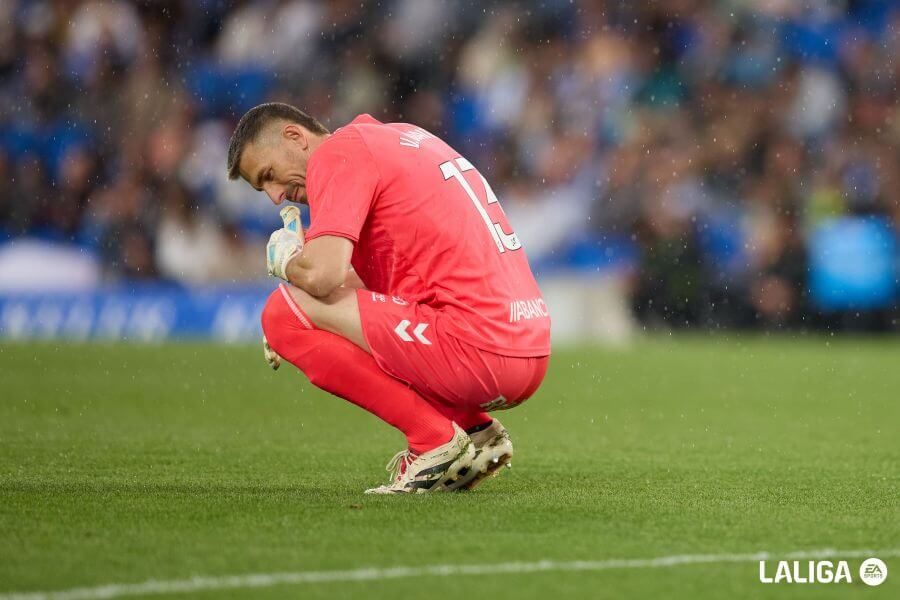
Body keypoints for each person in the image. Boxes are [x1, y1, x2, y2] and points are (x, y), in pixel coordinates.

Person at [226, 103, 551, 494]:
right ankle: (474, 429)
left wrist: (287, 262)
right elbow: (379, 278)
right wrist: (308, 298)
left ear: (295, 137)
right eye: (263, 189)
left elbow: (324, 274)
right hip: (528, 346)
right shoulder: (395, 137)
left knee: (280, 316)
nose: (277, 197)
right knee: (301, 308)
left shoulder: (337, 154)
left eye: (269, 176)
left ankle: (434, 440)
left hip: (480, 349)